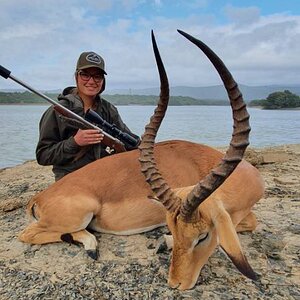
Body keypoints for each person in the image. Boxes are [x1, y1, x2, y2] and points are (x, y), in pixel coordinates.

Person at [36, 51, 140, 181]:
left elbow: (129, 140)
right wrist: (74, 142)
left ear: (103, 81)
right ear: (76, 77)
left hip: (105, 174)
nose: (91, 81)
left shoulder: (109, 109)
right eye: (85, 75)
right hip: (71, 179)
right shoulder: (57, 111)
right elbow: (43, 156)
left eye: (97, 76)